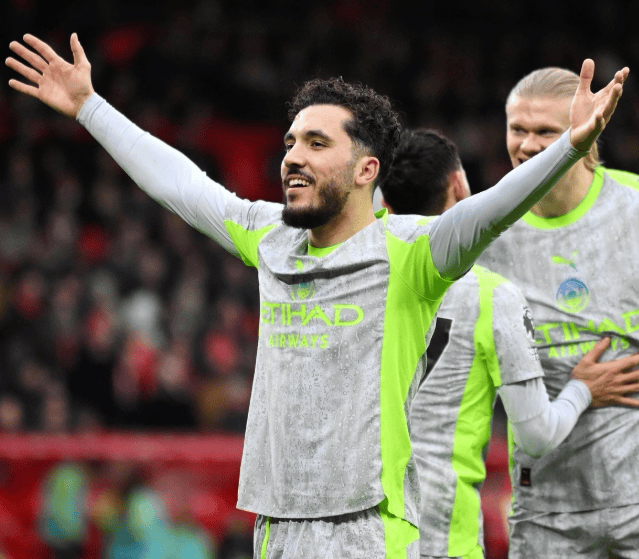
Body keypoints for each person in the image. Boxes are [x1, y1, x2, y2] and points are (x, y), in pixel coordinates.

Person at [5, 34, 628, 559]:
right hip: (276, 526)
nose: (293, 158)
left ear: (366, 170)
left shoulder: (413, 254)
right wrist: (89, 107)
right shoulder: (270, 237)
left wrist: (570, 146)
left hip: (367, 530)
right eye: (290, 143)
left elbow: (491, 210)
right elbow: (180, 184)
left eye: (317, 144)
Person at [379, 128, 639, 559]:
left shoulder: (357, 273)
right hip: (440, 536)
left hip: (363, 534)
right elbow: (536, 435)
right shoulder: (490, 292)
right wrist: (582, 389)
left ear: (384, 202)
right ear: (460, 187)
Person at [473, 66, 639, 558]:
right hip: (546, 511)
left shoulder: (632, 207)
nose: (527, 146)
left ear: (587, 131)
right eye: (517, 129)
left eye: (546, 131)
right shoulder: (485, 230)